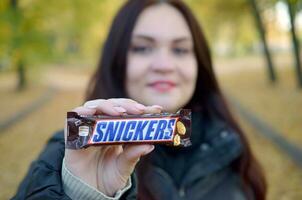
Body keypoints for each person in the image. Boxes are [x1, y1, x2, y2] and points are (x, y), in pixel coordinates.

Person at [12, 0, 267, 199]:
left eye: (180, 49)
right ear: (117, 60)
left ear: (199, 63)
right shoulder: (66, 157)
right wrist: (81, 193)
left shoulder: (229, 143)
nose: (164, 65)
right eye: (142, 48)